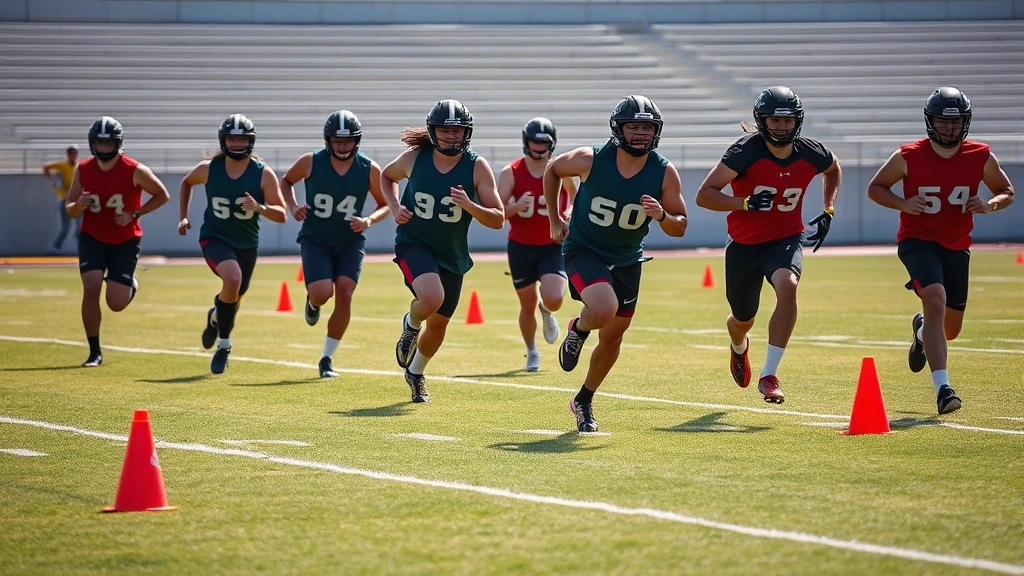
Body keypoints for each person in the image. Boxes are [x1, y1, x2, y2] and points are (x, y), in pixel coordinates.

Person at [867, 86, 1014, 415]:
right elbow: (875, 187)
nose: (949, 128)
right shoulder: (909, 155)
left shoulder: (980, 156)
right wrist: (903, 203)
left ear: (966, 122)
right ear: (930, 121)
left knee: (950, 328)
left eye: (956, 121)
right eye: (942, 121)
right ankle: (943, 388)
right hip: (917, 240)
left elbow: (1006, 191)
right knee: (935, 299)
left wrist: (989, 204)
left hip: (957, 245)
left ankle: (921, 332)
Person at [544, 95, 687, 432]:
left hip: (627, 257)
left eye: (647, 127)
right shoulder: (590, 158)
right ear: (618, 129)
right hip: (584, 248)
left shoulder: (664, 171)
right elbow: (553, 170)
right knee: (604, 309)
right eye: (633, 126)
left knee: (613, 338)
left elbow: (679, 226)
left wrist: (662, 215)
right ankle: (579, 328)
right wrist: (554, 219)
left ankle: (584, 399)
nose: (640, 133)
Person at [695, 86, 841, 405]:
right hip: (744, 245)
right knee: (742, 320)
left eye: (788, 120)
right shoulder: (744, 152)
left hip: (785, 238)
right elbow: (704, 195)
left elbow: (833, 168)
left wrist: (828, 209)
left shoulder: (810, 151)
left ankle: (769, 374)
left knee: (788, 287)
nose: (782, 126)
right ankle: (738, 347)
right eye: (775, 119)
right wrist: (744, 202)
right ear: (762, 121)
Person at [381, 99, 505, 403]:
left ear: (467, 134)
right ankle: (410, 325)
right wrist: (395, 207)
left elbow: (498, 218)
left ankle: (416, 373)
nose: (452, 137)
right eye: (445, 131)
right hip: (414, 242)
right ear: (432, 131)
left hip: (451, 253)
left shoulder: (476, 165)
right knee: (431, 298)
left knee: (438, 325)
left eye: (458, 131)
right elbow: (386, 176)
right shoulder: (414, 157)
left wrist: (470, 205)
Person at [280, 110, 390, 379]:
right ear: (327, 140)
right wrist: (293, 207)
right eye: (337, 141)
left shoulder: (368, 168)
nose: (343, 146)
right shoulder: (311, 162)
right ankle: (313, 302)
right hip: (315, 238)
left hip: (349, 241)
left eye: (348, 140)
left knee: (345, 292)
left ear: (357, 140)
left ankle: (327, 357)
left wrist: (367, 221)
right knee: (321, 293)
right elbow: (285, 182)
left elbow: (385, 203)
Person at [178, 114, 287, 374]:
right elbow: (186, 183)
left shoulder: (263, 174)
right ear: (223, 141)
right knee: (233, 279)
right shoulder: (209, 168)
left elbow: (281, 214)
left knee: (234, 297)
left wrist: (259, 207)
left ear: (250, 141)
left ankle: (215, 317)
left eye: (242, 139)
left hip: (246, 243)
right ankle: (224, 346)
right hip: (214, 237)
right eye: (232, 138)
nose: (237, 143)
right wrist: (183, 215)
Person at [64, 117, 170, 366]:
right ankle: (94, 351)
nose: (103, 148)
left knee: (116, 303)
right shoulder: (84, 168)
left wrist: (135, 213)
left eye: (107, 143)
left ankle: (129, 284)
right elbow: (70, 208)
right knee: (91, 288)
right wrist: (78, 205)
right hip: (92, 236)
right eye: (99, 143)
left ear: (117, 144)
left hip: (125, 239)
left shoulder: (134, 169)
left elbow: (162, 195)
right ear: (93, 144)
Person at [498, 117, 577, 372]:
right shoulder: (511, 172)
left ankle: (547, 310)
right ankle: (532, 351)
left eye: (544, 142)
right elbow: (496, 213)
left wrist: (567, 213)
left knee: (554, 298)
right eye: (535, 141)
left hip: (552, 242)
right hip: (521, 245)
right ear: (526, 142)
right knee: (526, 304)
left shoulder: (559, 169)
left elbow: (573, 197)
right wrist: (514, 206)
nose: (540, 147)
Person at [43, 145, 81, 253]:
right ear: (68, 154)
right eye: (71, 153)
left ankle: (82, 247)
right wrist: (52, 179)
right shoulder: (62, 165)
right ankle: (55, 247)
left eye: (75, 153)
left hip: (77, 200)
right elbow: (46, 167)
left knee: (81, 226)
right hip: (66, 199)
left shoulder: (78, 166)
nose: (74, 155)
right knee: (65, 228)